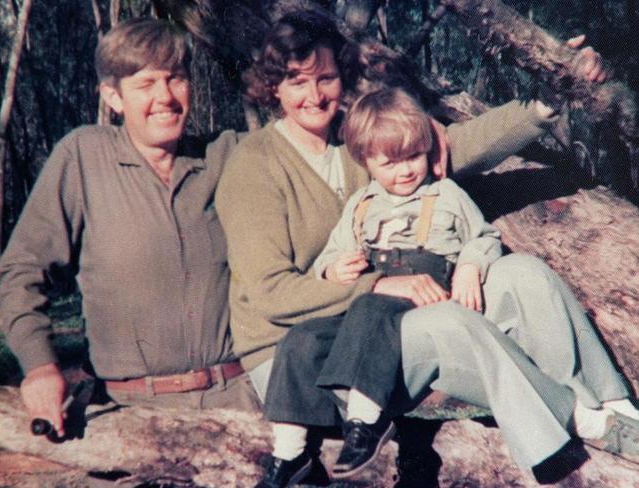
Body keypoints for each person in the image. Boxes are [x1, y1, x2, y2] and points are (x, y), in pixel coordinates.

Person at [214, 11, 639, 487]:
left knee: (522, 274)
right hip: (308, 357)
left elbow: (455, 148)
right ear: (273, 87)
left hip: (388, 316)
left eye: (326, 78)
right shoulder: (253, 165)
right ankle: (572, 422)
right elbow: (271, 295)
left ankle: (615, 409)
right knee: (447, 320)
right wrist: (378, 283)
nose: (314, 95)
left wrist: (550, 97)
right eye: (296, 81)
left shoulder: (357, 139)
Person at [0, 18, 260, 438]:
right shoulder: (83, 158)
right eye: (145, 84)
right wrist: (40, 367)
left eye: (176, 79)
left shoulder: (227, 155)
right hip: (128, 414)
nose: (165, 97)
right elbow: (20, 272)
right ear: (113, 98)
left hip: (239, 405)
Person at [267, 86, 504, 480]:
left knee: (370, 305)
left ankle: (363, 424)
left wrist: (469, 267)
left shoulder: (445, 193)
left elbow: (484, 238)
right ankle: (289, 454)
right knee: (302, 338)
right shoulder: (361, 203)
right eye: (391, 163)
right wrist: (333, 268)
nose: (406, 170)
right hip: (370, 306)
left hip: (421, 303)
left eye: (414, 156)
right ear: (366, 162)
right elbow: (328, 257)